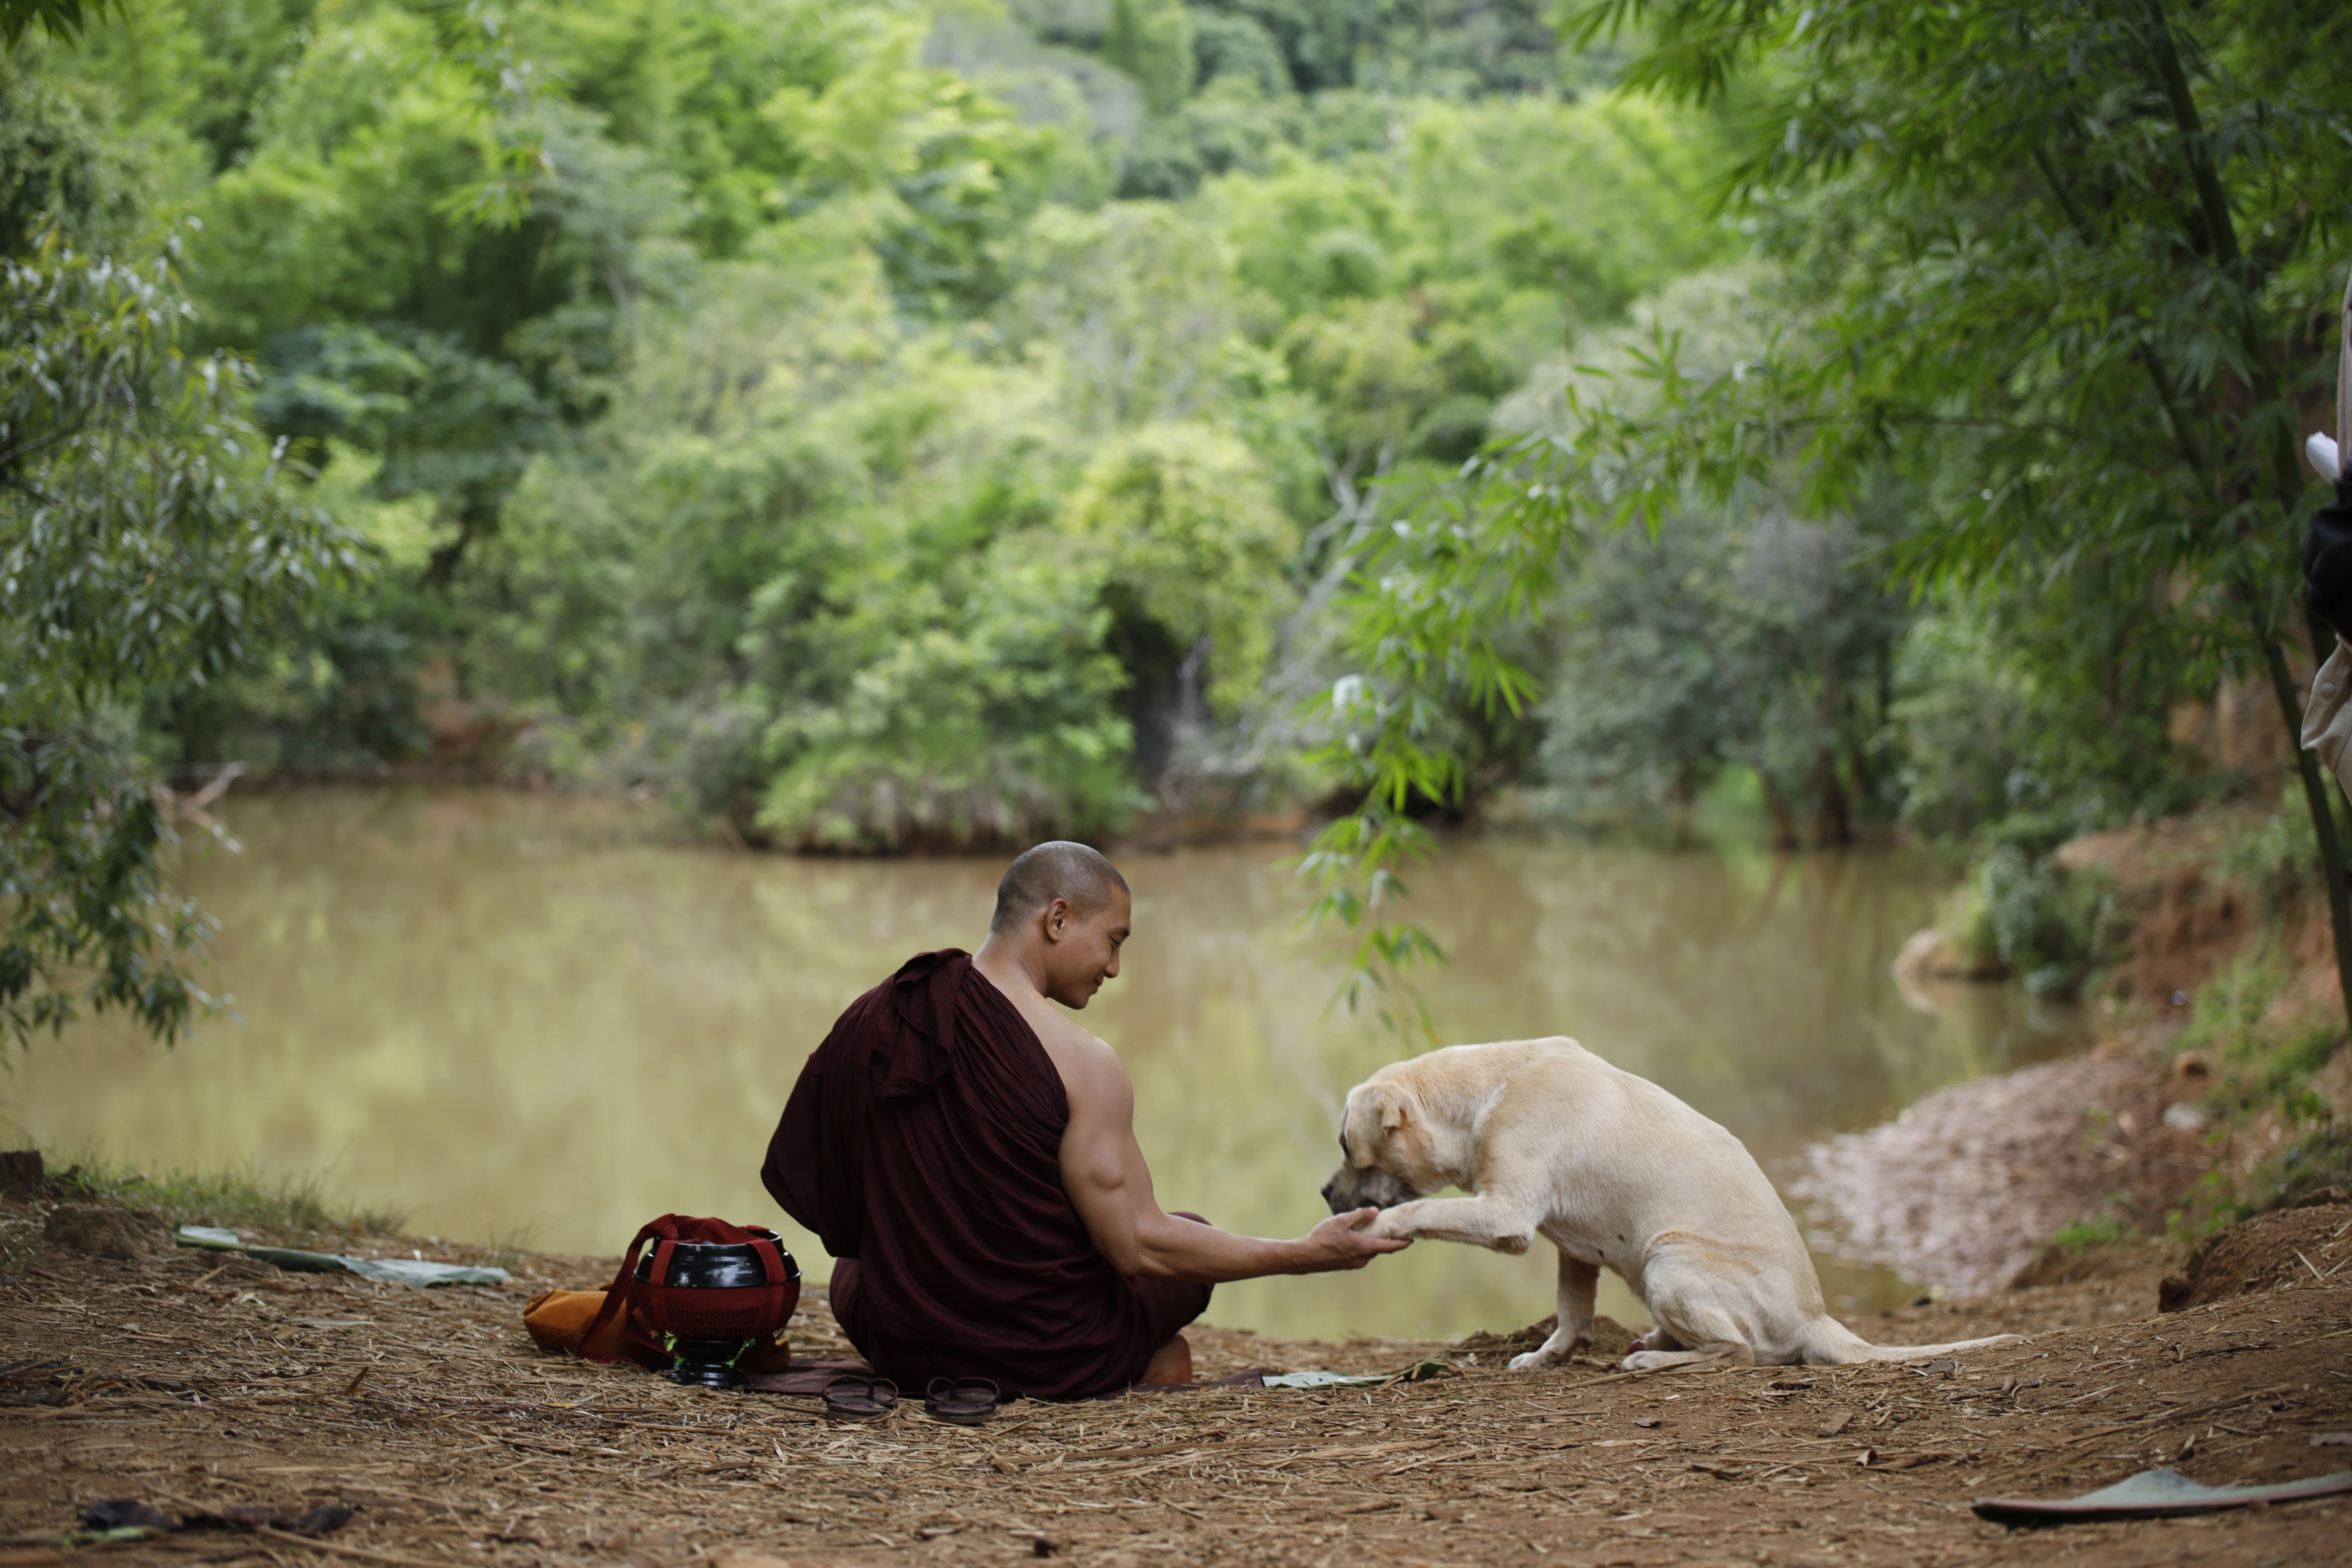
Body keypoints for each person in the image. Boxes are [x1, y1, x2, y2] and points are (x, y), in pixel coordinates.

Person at [760, 841, 1408, 1400]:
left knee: (856, 1270)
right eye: (1114, 940)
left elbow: (833, 1199)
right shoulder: (1084, 1062)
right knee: (1189, 1237)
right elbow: (1139, 1243)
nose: (1115, 968)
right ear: (1058, 918)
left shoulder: (881, 1014)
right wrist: (1303, 1253)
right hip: (1045, 1354)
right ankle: (1144, 1362)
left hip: (905, 1342)